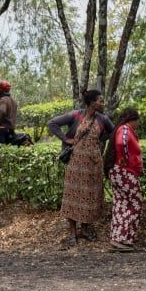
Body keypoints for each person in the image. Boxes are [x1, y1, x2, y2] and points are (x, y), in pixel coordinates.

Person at [47, 89, 114, 247]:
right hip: (76, 164)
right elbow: (52, 123)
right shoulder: (76, 115)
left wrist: (99, 139)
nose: (102, 103)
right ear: (92, 103)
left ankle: (84, 229)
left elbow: (113, 131)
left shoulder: (103, 119)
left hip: (93, 164)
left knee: (90, 197)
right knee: (73, 197)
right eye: (100, 101)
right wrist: (66, 139)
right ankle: (72, 233)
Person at [104, 108, 143, 251]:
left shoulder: (120, 128)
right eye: (137, 121)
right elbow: (122, 144)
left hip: (119, 172)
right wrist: (126, 161)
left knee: (121, 205)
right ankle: (123, 239)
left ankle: (117, 240)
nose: (137, 124)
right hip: (124, 171)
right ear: (131, 119)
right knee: (134, 204)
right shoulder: (125, 129)